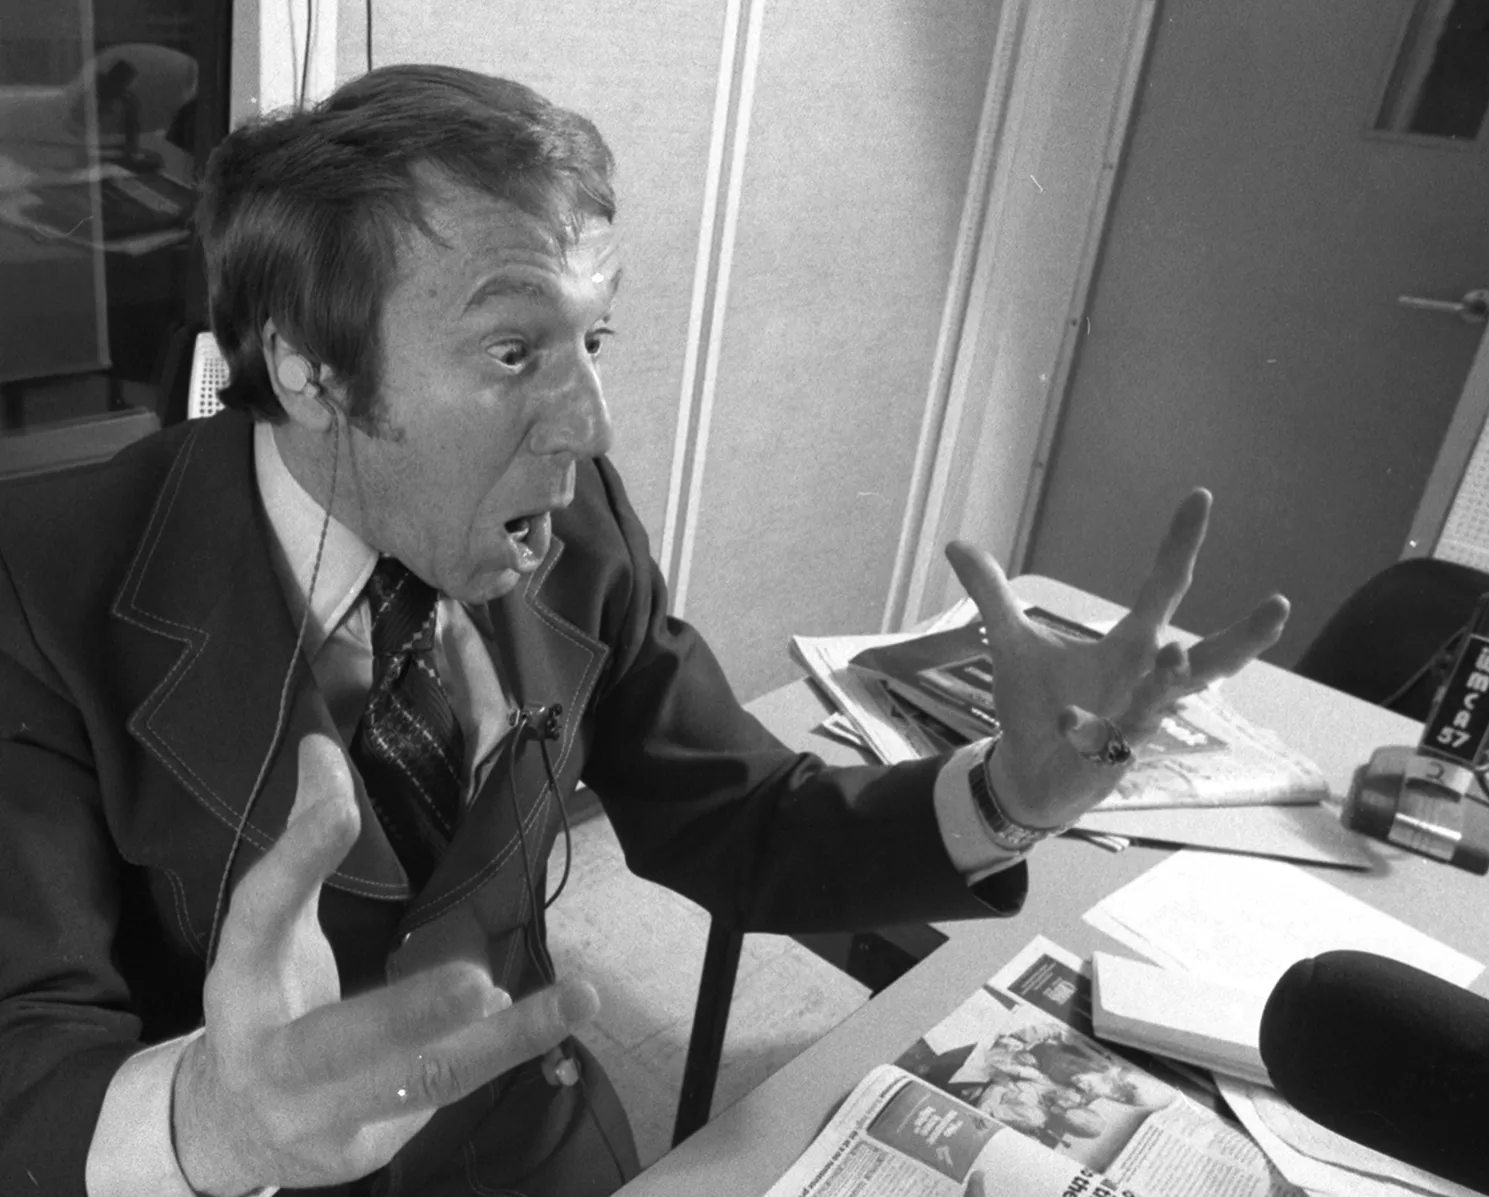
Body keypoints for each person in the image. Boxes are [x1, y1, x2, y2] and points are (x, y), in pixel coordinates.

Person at [0, 65, 1289, 1197]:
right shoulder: (42, 585)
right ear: (309, 370)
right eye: (513, 352)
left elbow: (738, 816)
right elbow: (25, 1048)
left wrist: (1009, 795)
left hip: (528, 1143)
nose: (591, 426)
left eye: (594, 338)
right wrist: (211, 1127)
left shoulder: (583, 526)